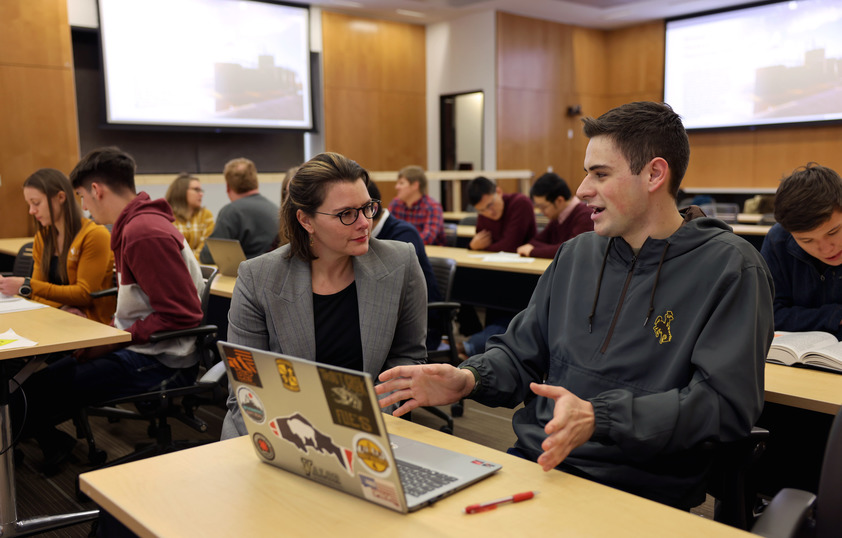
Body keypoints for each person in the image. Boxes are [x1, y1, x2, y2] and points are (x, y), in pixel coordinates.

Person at [376, 101, 775, 510]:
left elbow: (724, 405)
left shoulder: (731, 268)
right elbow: (519, 354)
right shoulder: (576, 254)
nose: (582, 189)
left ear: (655, 174)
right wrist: (468, 379)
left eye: (600, 174)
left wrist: (601, 418)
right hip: (536, 463)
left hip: (637, 490)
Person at [13, 147, 205, 473]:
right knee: (37, 386)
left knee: (35, 395)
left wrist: (115, 338)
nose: (84, 207)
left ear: (96, 190)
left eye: (82, 197)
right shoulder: (136, 225)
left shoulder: (143, 232)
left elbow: (182, 317)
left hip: (160, 359)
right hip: (144, 347)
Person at [221, 152, 427, 439]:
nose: (364, 222)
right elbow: (247, 387)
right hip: (279, 430)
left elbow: (408, 356)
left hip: (368, 431)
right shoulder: (258, 277)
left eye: (367, 207)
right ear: (306, 220)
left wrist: (370, 423)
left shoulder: (400, 262)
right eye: (346, 214)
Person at [0, 168, 115, 324]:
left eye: (36, 203)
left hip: (90, 322)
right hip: (56, 317)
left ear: (61, 197)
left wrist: (28, 285)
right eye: (29, 204)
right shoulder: (44, 237)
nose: (31, 211)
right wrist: (61, 307)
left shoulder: (95, 235)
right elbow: (36, 294)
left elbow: (84, 294)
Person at [761, 163, 842, 339]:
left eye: (833, 232)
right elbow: (767, 316)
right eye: (806, 240)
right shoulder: (778, 240)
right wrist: (835, 316)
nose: (826, 249)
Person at [368, 179, 443, 350]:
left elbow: (390, 290)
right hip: (387, 321)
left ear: (372, 209)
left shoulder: (403, 234)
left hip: (420, 326)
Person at [199, 157, 279, 263]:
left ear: (228, 187)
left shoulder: (230, 212)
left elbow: (209, 255)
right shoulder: (276, 209)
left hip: (243, 276)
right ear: (256, 182)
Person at [516, 171, 593, 258]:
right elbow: (535, 242)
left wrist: (533, 251)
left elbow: (571, 250)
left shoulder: (585, 216)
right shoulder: (558, 218)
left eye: (543, 207)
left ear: (559, 200)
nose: (541, 211)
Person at [467, 176, 536, 252]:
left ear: (498, 192)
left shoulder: (521, 203)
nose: (489, 212)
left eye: (490, 205)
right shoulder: (483, 214)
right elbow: (480, 242)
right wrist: (473, 246)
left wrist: (475, 247)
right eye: (482, 210)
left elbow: (510, 246)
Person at [387, 165, 446, 246]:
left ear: (415, 185)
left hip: (428, 254)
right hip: (402, 250)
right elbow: (387, 230)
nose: (397, 187)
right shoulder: (395, 204)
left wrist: (402, 244)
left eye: (401, 183)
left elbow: (428, 237)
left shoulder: (432, 207)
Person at [165, 173, 215, 260]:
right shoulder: (166, 216)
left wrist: (190, 262)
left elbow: (206, 248)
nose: (201, 194)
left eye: (201, 190)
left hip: (199, 268)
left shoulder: (205, 215)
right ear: (181, 191)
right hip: (174, 266)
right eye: (196, 190)